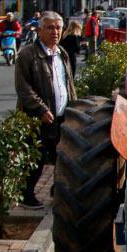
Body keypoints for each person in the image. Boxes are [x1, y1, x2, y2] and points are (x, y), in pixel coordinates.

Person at [14, 11, 76, 209]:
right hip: (37, 118)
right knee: (36, 158)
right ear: (40, 30)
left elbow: (68, 84)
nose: (55, 32)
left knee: (61, 157)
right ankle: (26, 194)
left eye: (58, 27)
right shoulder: (28, 54)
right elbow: (23, 88)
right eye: (50, 27)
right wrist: (40, 109)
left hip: (61, 116)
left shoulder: (61, 53)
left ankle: (56, 190)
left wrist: (73, 108)